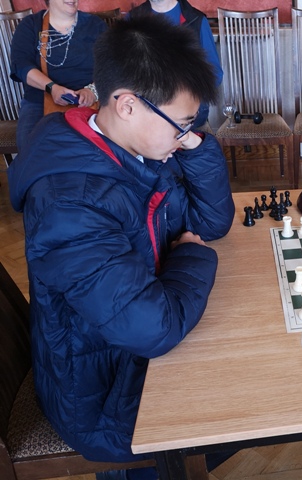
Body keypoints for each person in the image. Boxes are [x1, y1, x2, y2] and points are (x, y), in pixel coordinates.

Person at [8, 13, 235, 475]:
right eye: (182, 124)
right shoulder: (68, 202)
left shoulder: (132, 144)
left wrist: (193, 145)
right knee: (251, 402)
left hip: (132, 351)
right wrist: (191, 257)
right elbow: (152, 329)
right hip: (101, 394)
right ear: (128, 104)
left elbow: (211, 222)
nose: (185, 137)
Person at [10, 0, 107, 152]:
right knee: (32, 150)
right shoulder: (30, 25)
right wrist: (52, 88)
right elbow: (21, 66)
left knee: (99, 150)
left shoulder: (95, 25)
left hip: (89, 102)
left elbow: (111, 65)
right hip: (40, 101)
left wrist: (93, 91)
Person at [129, 0, 224, 128]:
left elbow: (215, 73)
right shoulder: (132, 19)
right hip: (148, 113)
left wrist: (189, 98)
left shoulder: (196, 20)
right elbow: (123, 71)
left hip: (188, 114)